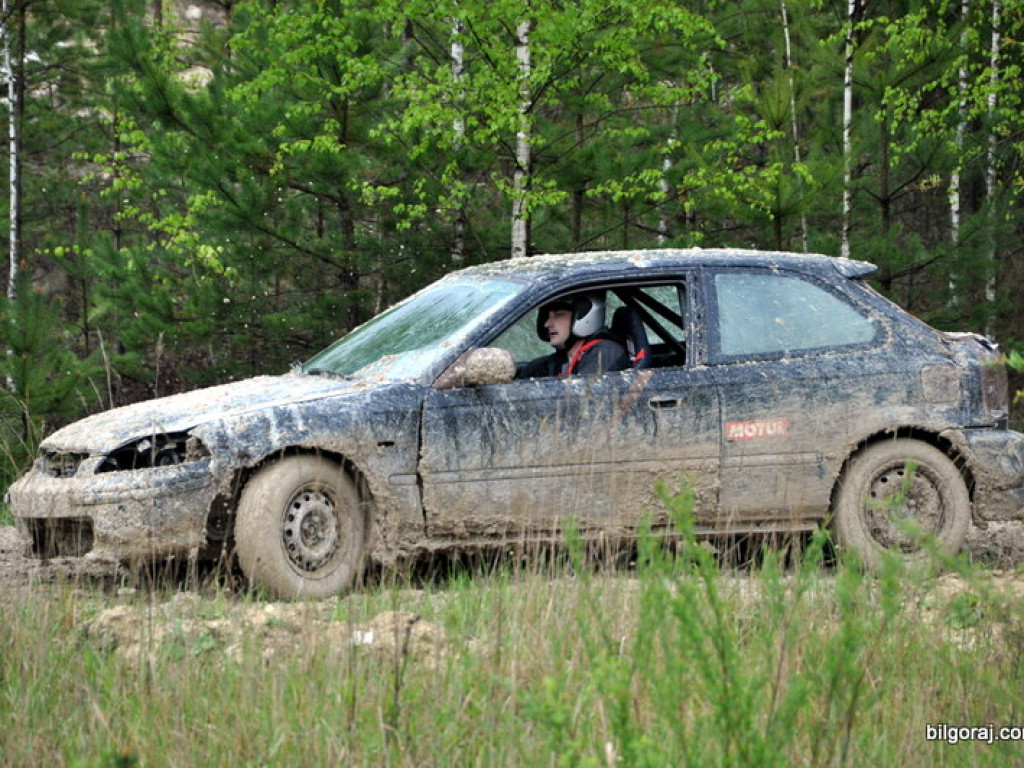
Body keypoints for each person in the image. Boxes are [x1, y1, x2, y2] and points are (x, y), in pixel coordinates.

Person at [516, 293, 630, 378]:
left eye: (558, 315)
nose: (547, 324)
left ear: (584, 315)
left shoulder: (605, 353)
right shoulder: (560, 360)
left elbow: (581, 402)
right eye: (547, 317)